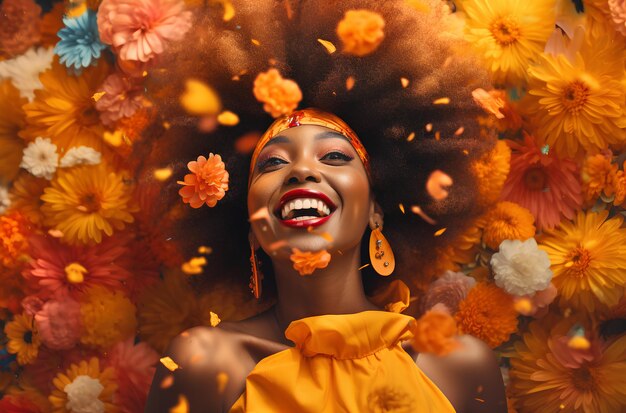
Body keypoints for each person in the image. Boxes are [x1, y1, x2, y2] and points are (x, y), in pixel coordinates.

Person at [143, 1, 507, 411]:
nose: (301, 171)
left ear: (376, 209)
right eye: (274, 162)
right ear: (250, 226)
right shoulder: (205, 365)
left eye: (334, 156)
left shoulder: (457, 368)